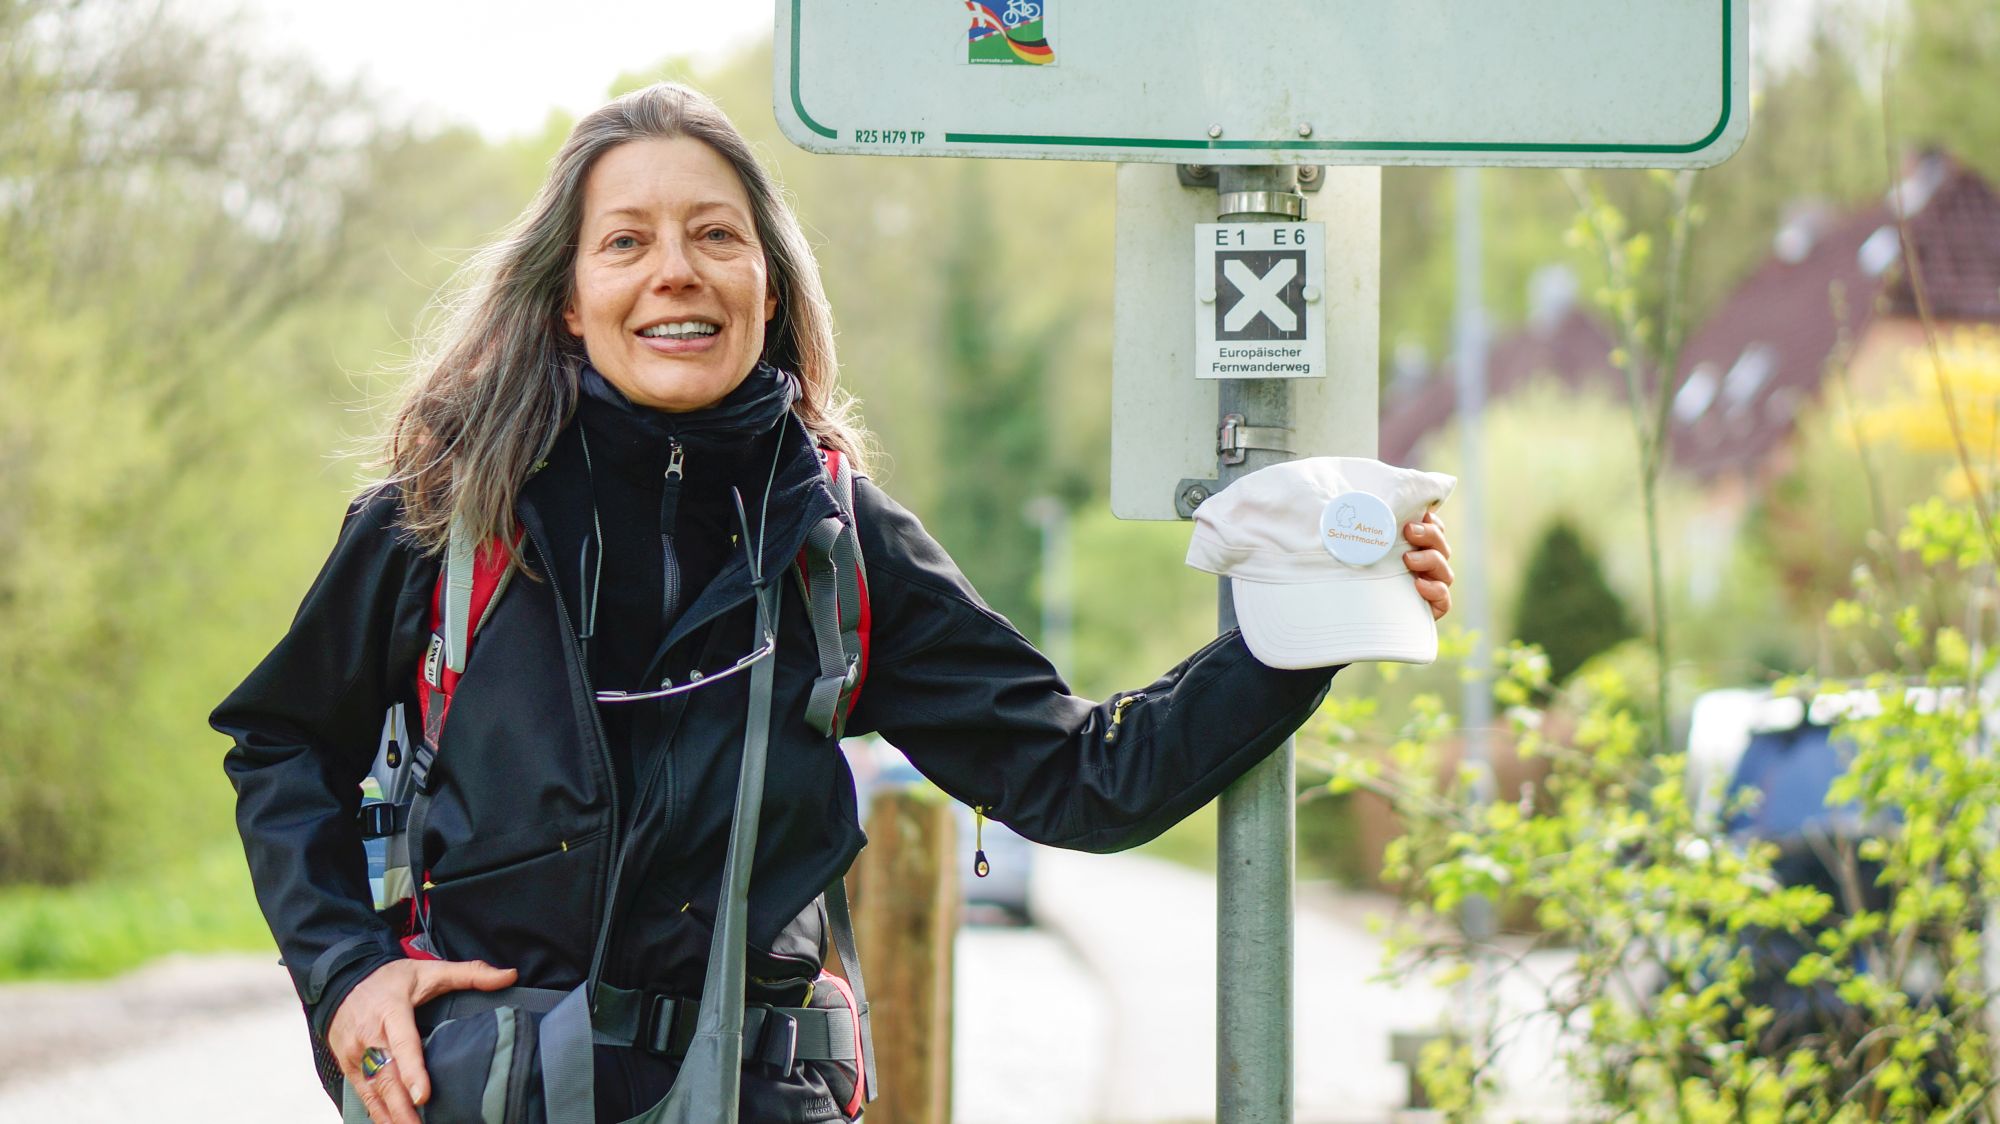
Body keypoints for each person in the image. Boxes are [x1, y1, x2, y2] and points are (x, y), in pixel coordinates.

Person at [213, 82, 1455, 1124]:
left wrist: (1312, 616)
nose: (674, 272)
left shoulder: (841, 545)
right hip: (496, 1095)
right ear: (568, 299)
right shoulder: (442, 519)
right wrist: (343, 975)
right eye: (626, 240)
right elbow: (281, 742)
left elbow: (1083, 776)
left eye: (715, 235)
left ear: (767, 285)